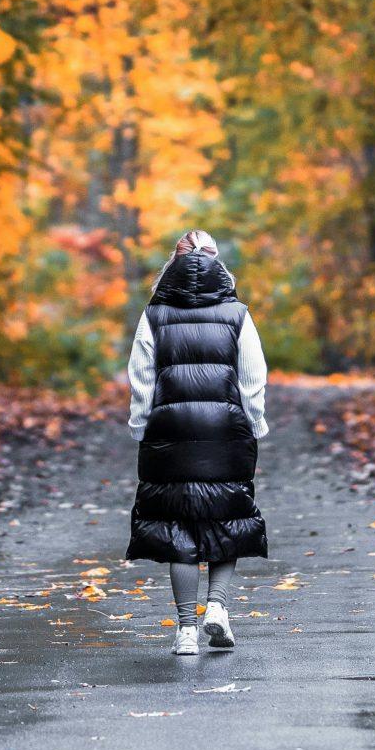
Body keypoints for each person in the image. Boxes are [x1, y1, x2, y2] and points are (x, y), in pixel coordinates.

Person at [125, 229, 268, 656]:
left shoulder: (154, 314)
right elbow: (252, 379)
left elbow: (141, 379)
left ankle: (186, 630)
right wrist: (253, 426)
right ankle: (218, 609)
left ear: (174, 261)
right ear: (218, 263)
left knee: (177, 525)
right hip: (226, 430)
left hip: (168, 433)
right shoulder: (237, 313)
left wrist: (140, 427)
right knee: (227, 513)